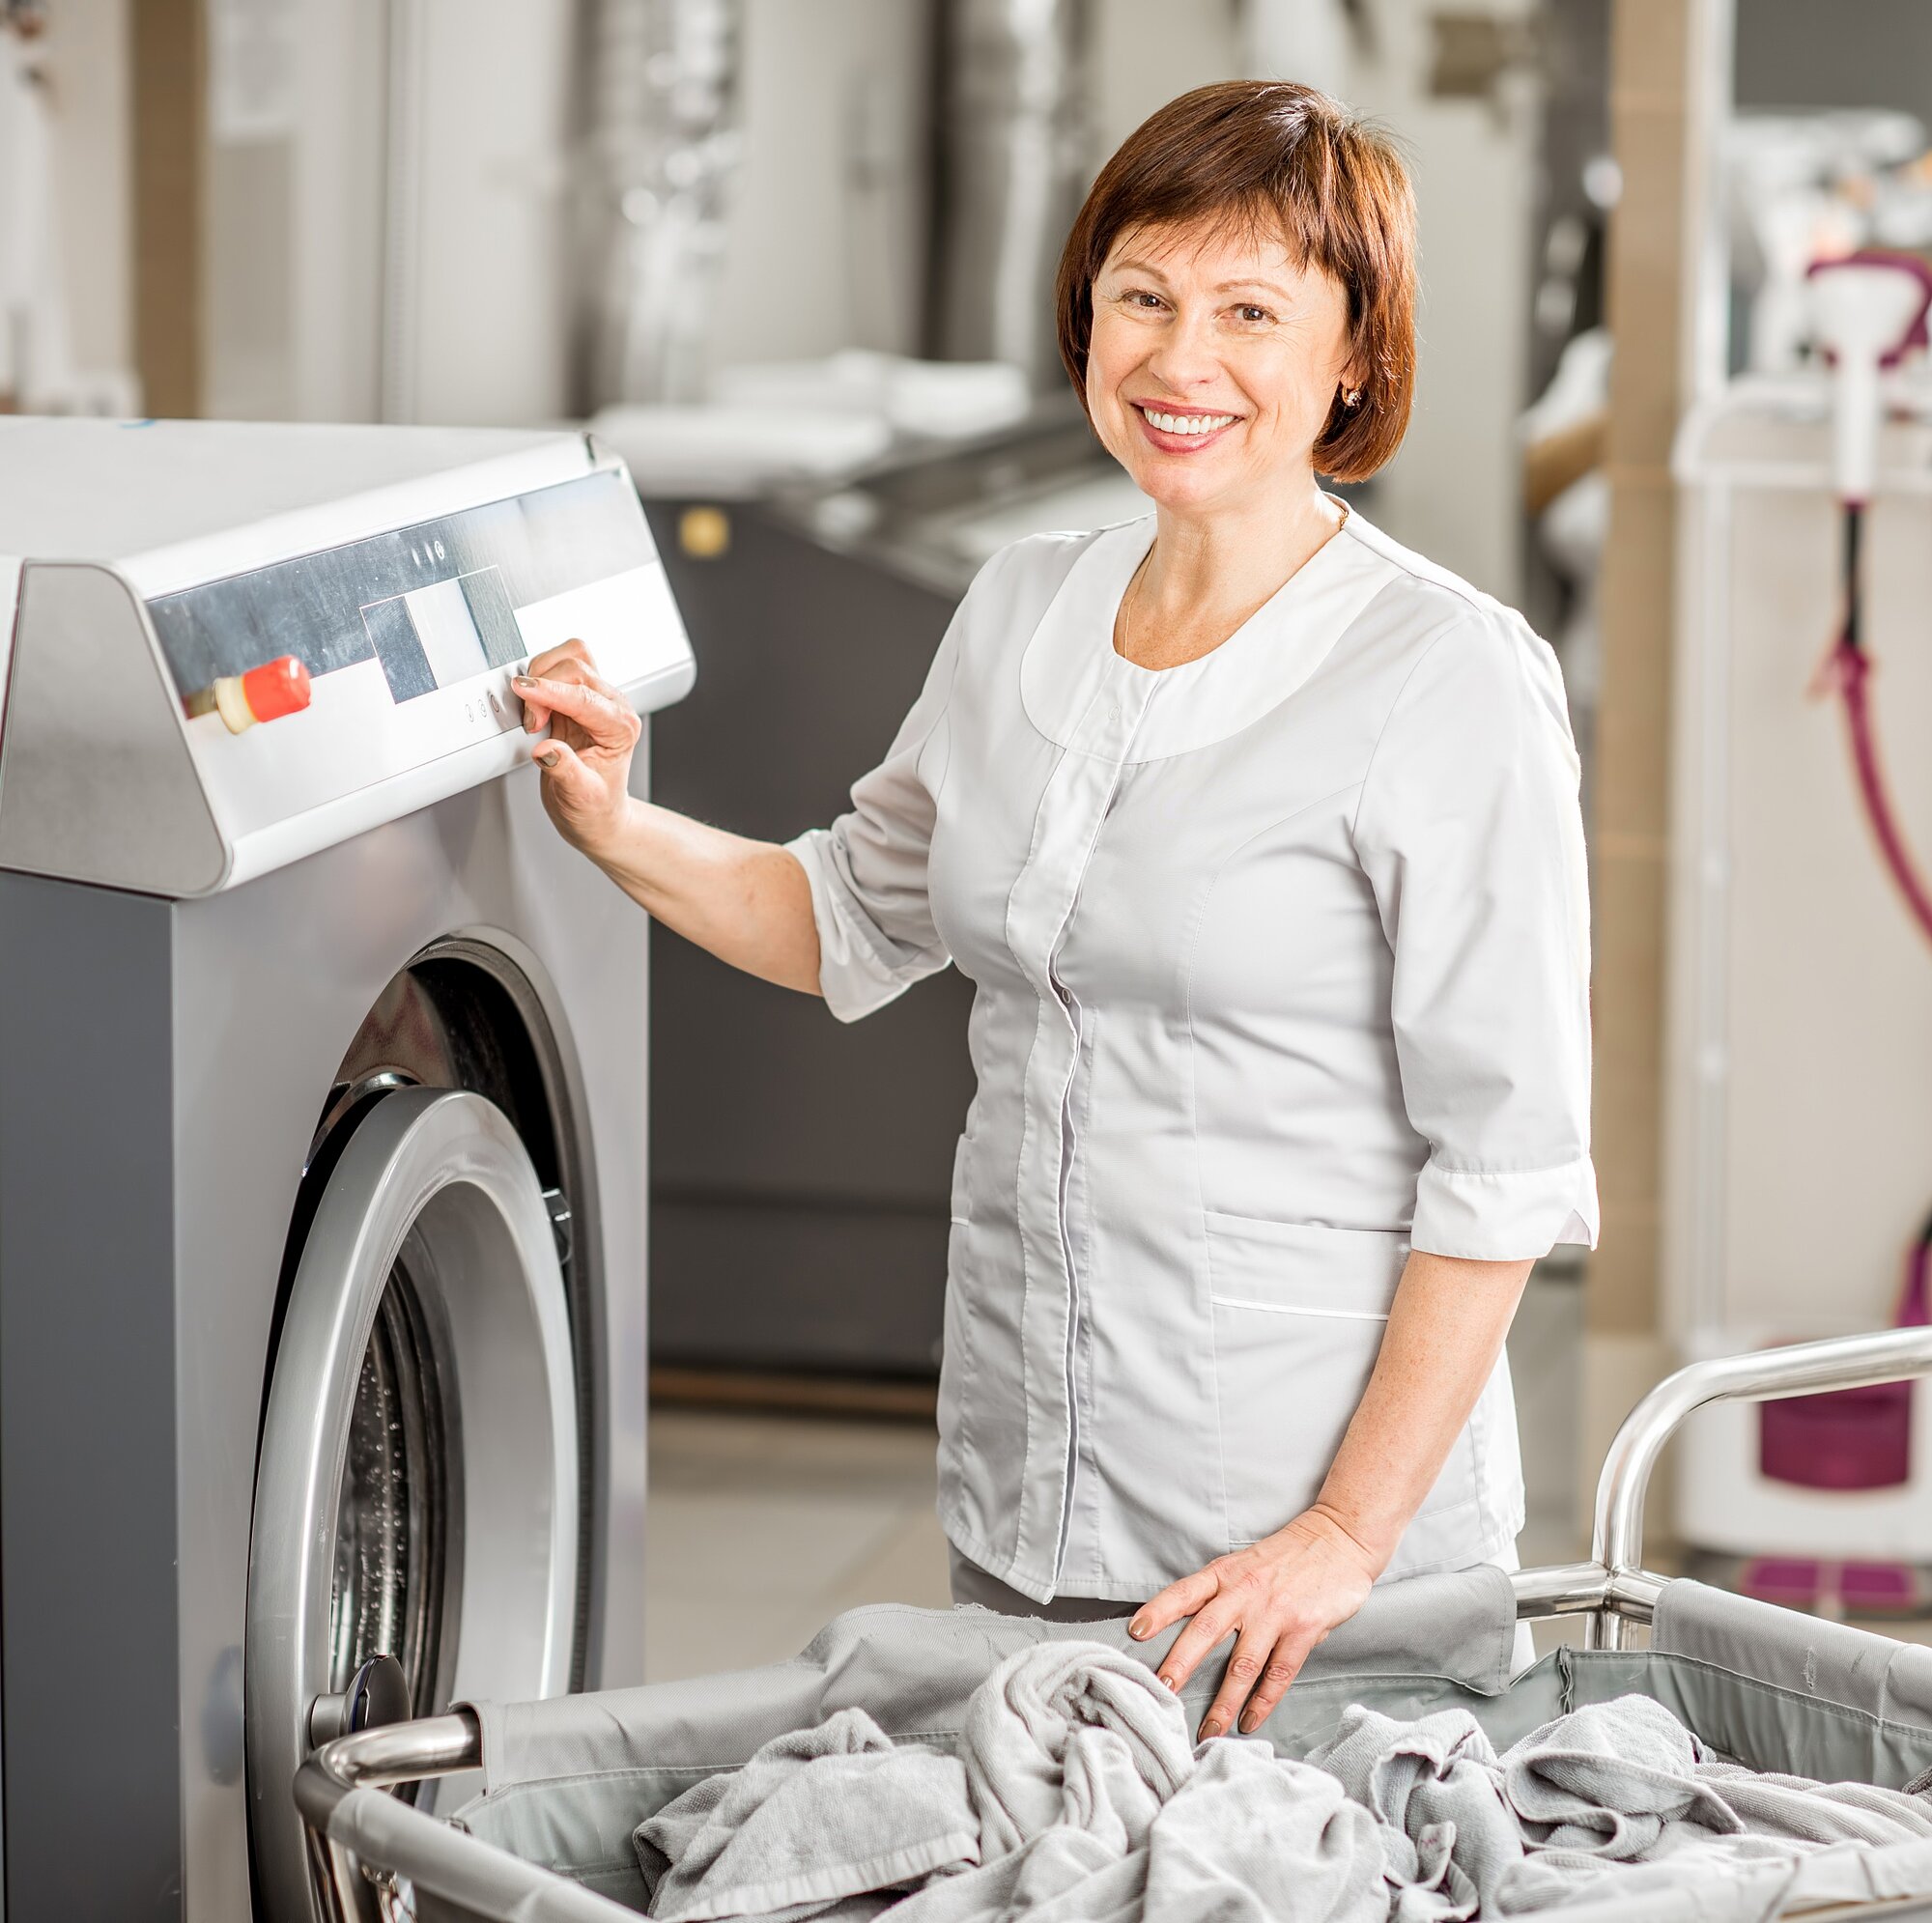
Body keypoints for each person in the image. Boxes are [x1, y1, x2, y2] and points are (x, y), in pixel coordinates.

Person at [513, 79, 1596, 1745]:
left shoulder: (1444, 676)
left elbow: (1505, 1165)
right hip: (1030, 1479)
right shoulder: (1022, 604)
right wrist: (612, 818)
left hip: (1300, 1552)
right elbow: (845, 912)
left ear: (1354, 355)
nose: (1181, 359)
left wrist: (1340, 1535)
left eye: (1250, 312)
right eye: (1141, 298)